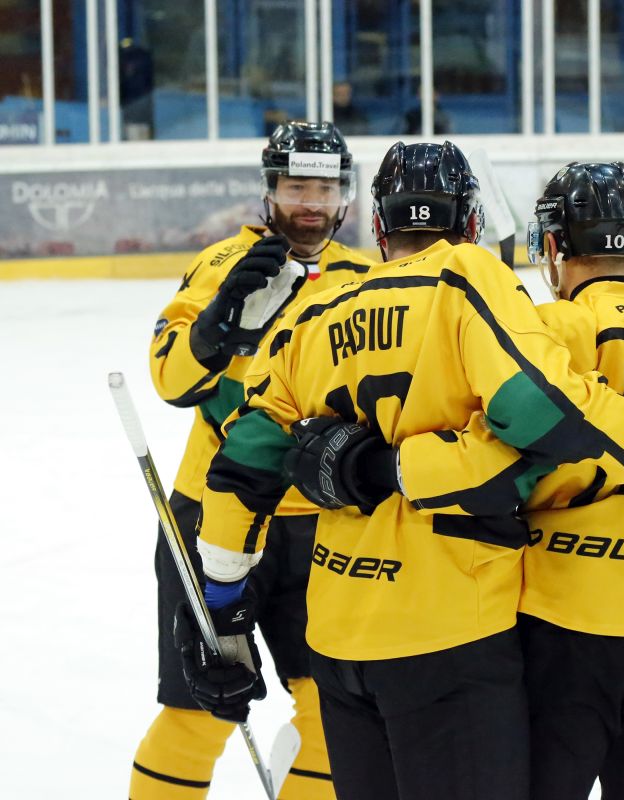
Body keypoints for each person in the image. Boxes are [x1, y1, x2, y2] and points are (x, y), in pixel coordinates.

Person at [184, 141, 624, 800]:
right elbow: (540, 415)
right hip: (450, 636)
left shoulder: (315, 310)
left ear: (380, 228)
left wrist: (221, 608)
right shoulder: (467, 276)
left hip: (338, 639)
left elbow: (241, 468)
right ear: (472, 223)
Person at [132, 120, 373, 800]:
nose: (311, 203)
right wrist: (216, 325)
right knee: (197, 716)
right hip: (211, 517)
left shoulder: (371, 279)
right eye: (297, 185)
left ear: (345, 196)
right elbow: (172, 384)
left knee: (333, 715)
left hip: (328, 526)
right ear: (270, 189)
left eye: (326, 188)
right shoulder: (220, 268)